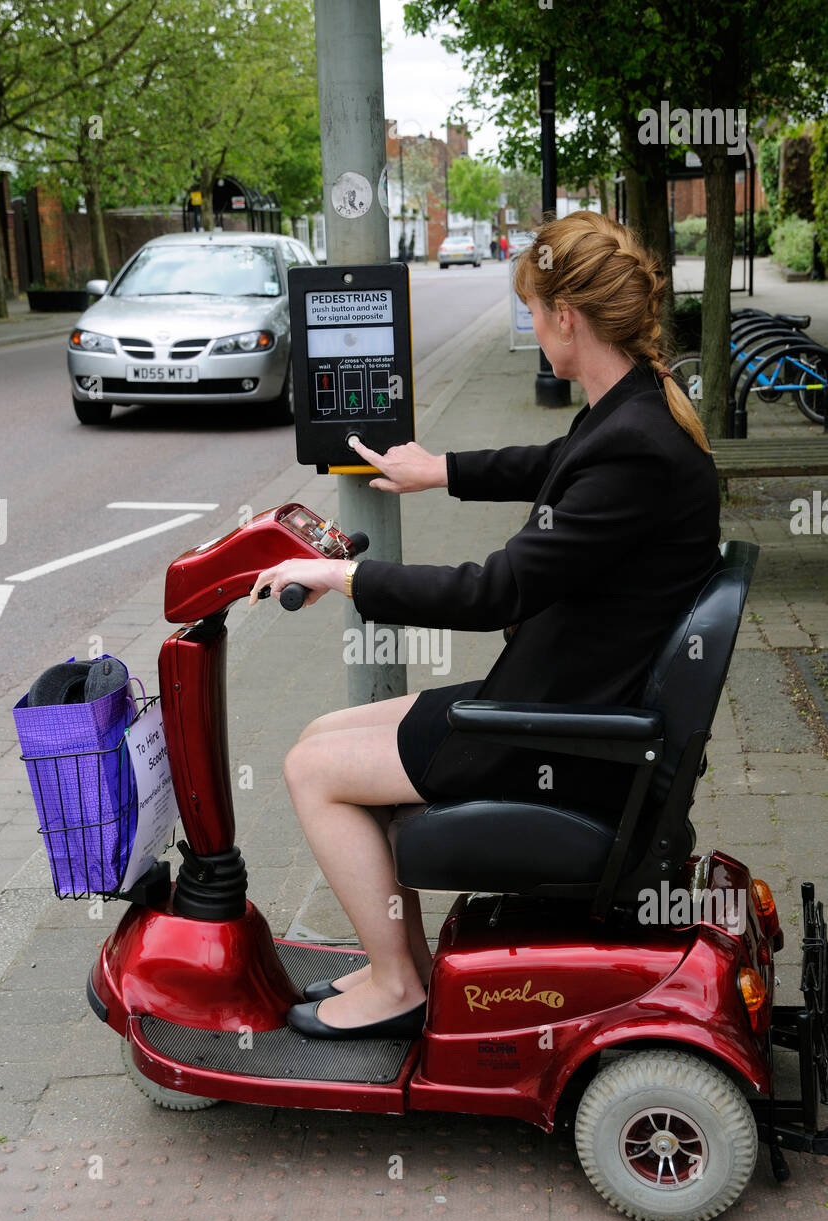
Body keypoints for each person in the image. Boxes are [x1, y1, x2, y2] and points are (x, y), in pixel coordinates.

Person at [250, 209, 719, 1041]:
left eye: (534, 311)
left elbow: (492, 592)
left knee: (311, 771)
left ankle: (398, 984)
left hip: (563, 733)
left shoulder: (634, 445)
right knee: (323, 731)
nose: (533, 328)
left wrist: (344, 575)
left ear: (564, 317)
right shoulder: (636, 409)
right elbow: (554, 468)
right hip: (574, 702)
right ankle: (404, 962)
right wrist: (440, 472)